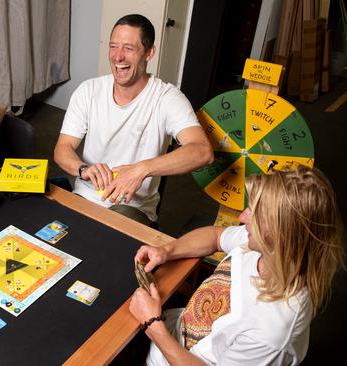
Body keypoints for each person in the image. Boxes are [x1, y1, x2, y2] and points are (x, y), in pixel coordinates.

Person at [128, 166, 344, 365]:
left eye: (255, 213)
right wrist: (168, 250)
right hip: (170, 330)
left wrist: (153, 324)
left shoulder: (273, 331)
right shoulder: (264, 245)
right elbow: (215, 236)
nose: (242, 217)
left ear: (282, 232)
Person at [53, 14, 213, 226]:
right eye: (113, 46)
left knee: (107, 245)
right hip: (84, 198)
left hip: (131, 208)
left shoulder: (167, 98)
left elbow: (202, 151)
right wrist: (83, 169)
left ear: (149, 53)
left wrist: (141, 169)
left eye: (129, 48)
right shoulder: (88, 91)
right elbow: (62, 149)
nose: (118, 57)